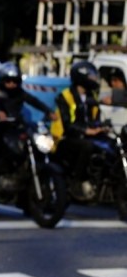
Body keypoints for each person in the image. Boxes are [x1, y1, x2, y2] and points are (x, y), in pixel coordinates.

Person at [0, 62, 55, 182]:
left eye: (15, 81)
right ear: (2, 81)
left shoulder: (20, 93)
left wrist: (48, 111)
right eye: (8, 81)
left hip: (15, 127)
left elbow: (34, 101)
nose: (12, 84)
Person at [52, 61, 106, 192]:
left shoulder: (91, 96)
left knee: (110, 145)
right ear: (81, 77)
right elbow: (67, 123)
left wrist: (101, 127)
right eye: (91, 76)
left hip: (85, 135)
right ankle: (77, 180)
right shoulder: (65, 96)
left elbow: (94, 118)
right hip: (65, 138)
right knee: (87, 146)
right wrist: (87, 130)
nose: (94, 79)